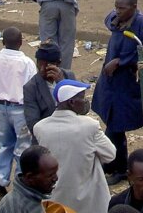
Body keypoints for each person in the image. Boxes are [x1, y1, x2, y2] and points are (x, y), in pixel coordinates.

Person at [92, 0, 143, 184]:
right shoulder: (115, 19)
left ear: (134, 8)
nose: (117, 11)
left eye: (122, 8)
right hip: (109, 82)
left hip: (126, 83)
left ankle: (119, 169)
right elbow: (108, 20)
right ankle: (112, 165)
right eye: (116, 7)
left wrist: (121, 62)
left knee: (115, 127)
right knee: (110, 120)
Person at [33, 80, 116, 213]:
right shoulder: (89, 126)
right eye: (82, 98)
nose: (85, 102)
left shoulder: (40, 128)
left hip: (56, 203)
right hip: (89, 203)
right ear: (71, 102)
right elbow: (110, 154)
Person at [0, 27, 38, 196]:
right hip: (20, 110)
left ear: (3, 42)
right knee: (22, 147)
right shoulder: (27, 63)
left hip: (1, 107)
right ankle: (20, 185)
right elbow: (32, 89)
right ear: (21, 42)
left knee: (4, 145)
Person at [23, 41, 76, 135]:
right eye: (39, 64)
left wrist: (62, 85)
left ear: (58, 64)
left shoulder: (69, 77)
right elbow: (33, 125)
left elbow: (83, 109)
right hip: (46, 139)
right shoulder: (31, 88)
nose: (42, 69)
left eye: (47, 65)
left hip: (71, 133)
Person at [0, 145, 59, 213]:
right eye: (50, 175)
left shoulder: (34, 197)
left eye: (55, 173)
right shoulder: (14, 206)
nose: (55, 178)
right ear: (30, 177)